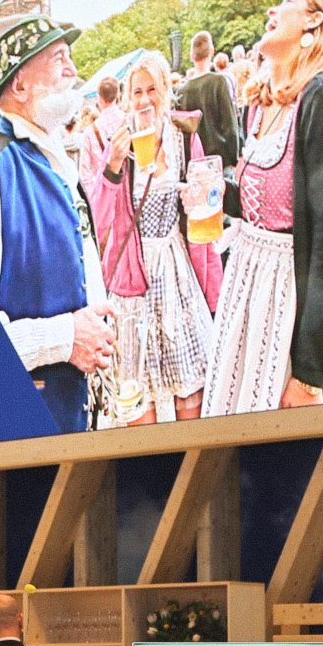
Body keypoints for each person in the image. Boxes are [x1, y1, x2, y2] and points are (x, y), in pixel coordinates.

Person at [0, 0, 116, 436]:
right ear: (19, 86)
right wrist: (66, 339)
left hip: (71, 408)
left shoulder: (53, 155)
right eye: (59, 58)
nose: (74, 70)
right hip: (24, 425)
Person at [203, 0, 323, 415]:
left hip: (287, 301)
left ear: (314, 21)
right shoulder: (258, 107)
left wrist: (310, 375)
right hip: (247, 288)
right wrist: (220, 194)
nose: (273, 10)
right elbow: (265, 204)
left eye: (289, 3)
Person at [82, 49, 216, 427]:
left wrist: (201, 197)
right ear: (126, 98)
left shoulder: (184, 138)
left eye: (151, 90)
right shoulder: (119, 144)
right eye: (136, 92)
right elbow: (98, 218)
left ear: (166, 91)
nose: (144, 100)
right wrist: (110, 169)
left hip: (177, 272)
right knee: (137, 400)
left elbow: (208, 205)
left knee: (192, 394)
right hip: (133, 281)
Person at [178, 29, 246, 220]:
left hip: (195, 164)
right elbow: (230, 125)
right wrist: (234, 157)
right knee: (223, 218)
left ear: (192, 55)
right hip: (219, 161)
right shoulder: (219, 82)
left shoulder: (182, 90)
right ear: (212, 51)